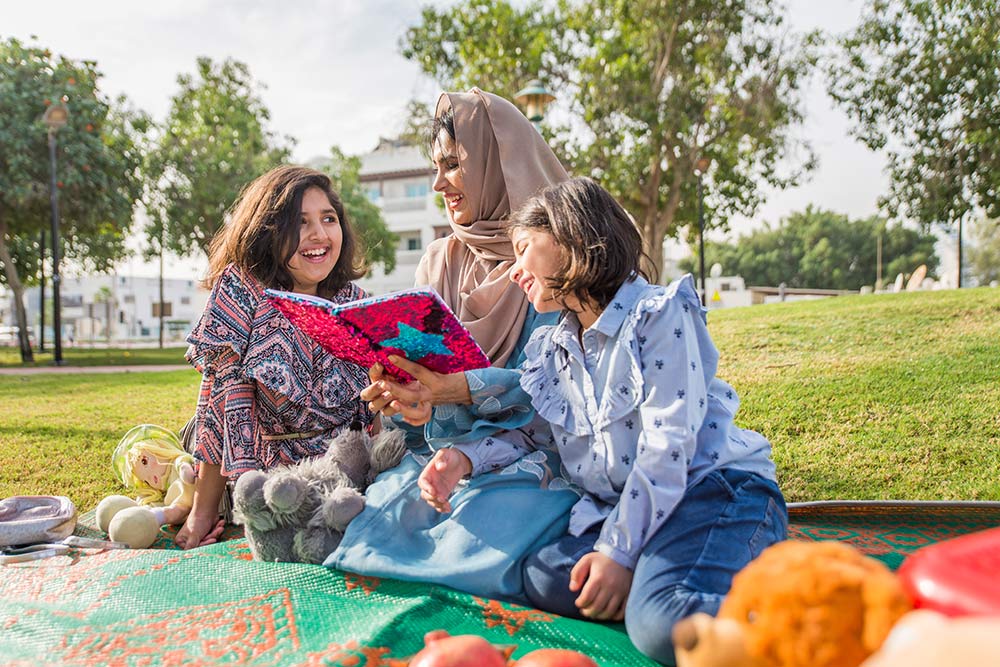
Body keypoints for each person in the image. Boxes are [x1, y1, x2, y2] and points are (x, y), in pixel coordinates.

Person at [421, 177, 787, 665]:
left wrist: (617, 551)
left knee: (662, 626)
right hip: (631, 510)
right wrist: (462, 458)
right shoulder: (552, 348)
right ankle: (663, 573)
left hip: (711, 490)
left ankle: (777, 591)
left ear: (571, 239)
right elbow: (539, 433)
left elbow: (668, 446)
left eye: (524, 249)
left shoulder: (657, 315)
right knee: (546, 576)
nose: (515, 272)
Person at [325, 89, 580, 603]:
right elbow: (431, 374)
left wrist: (452, 389)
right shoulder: (441, 258)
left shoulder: (553, 256)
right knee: (388, 515)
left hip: (534, 441)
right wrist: (410, 397)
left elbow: (554, 386)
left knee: (486, 528)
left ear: (497, 164)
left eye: (454, 165)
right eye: (435, 166)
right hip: (443, 445)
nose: (439, 182)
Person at [175, 165, 374, 549]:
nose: (319, 234)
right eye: (300, 222)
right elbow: (223, 400)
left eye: (328, 219)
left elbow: (370, 417)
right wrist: (207, 509)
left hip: (338, 470)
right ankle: (185, 500)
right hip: (259, 471)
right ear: (270, 230)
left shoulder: (357, 304)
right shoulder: (242, 289)